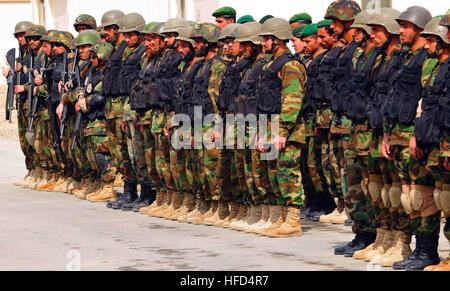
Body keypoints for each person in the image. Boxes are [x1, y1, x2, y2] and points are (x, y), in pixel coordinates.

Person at [255, 17, 307, 237]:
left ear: (277, 39)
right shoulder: (270, 63)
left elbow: (292, 99)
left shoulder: (290, 65)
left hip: (287, 130)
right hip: (271, 126)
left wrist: (282, 131)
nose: (263, 43)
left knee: (288, 174)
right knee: (275, 174)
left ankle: (293, 221)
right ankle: (282, 218)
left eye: (266, 39)